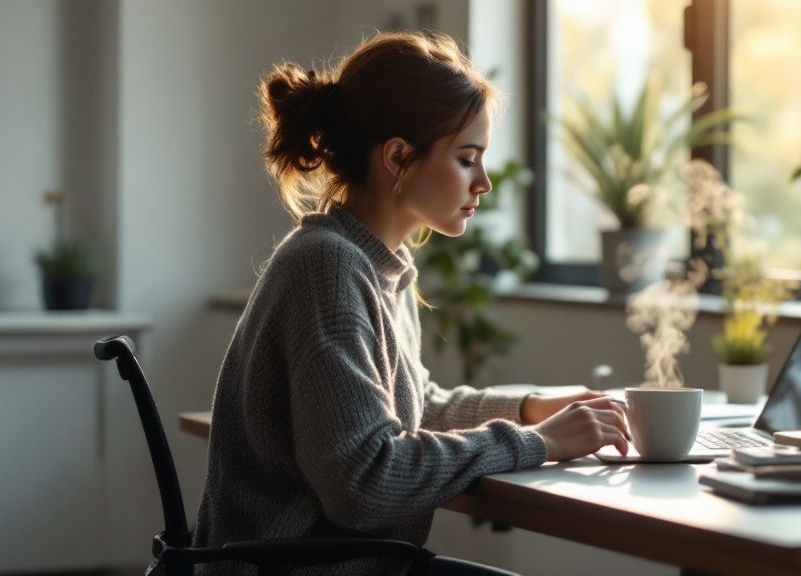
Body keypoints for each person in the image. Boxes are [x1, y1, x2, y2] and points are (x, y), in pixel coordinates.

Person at [193, 31, 630, 575]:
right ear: (398, 157)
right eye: (467, 159)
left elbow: (414, 407)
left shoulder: (374, 263)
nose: (485, 183)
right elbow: (365, 483)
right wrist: (535, 442)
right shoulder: (327, 268)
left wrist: (530, 407)